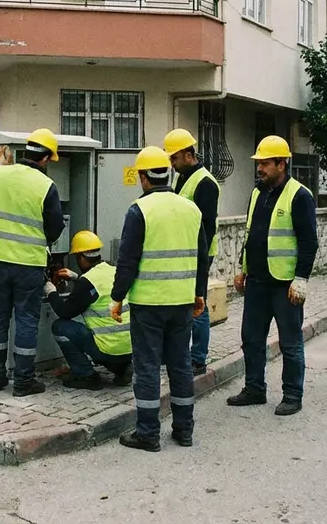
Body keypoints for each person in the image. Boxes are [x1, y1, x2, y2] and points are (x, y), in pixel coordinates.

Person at [112, 146, 209, 452]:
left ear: (143, 177)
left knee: (148, 367)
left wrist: (117, 297)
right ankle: (184, 430)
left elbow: (127, 261)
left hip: (149, 304)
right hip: (181, 303)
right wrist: (199, 295)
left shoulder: (139, 210)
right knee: (180, 366)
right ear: (167, 172)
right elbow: (201, 257)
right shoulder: (191, 209)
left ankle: (148, 433)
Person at [0, 128, 66, 397]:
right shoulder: (46, 186)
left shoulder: (0, 172)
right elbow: (56, 228)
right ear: (46, 158)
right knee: (26, 319)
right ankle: (23, 382)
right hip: (28, 264)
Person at [229, 135, 318, 417]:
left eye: (266, 163)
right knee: (251, 338)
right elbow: (250, 235)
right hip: (257, 281)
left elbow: (308, 242)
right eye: (259, 163)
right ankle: (255, 389)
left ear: (282, 164)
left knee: (290, 341)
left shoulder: (300, 196)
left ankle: (292, 394)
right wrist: (243, 269)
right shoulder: (258, 193)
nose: (260, 168)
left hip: (284, 284)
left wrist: (301, 279)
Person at [44, 230, 133, 390]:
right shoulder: (113, 270)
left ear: (81, 257)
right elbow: (98, 290)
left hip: (108, 349)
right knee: (110, 339)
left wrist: (51, 292)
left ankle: (86, 376)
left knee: (60, 327)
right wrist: (77, 278)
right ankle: (122, 368)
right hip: (129, 347)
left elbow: (65, 312)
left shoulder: (87, 283)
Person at [165, 127, 220, 376]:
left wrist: (200, 258)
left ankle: (198, 358)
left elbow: (206, 224)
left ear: (188, 154)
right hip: (184, 250)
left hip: (200, 252)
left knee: (198, 302)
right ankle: (182, 353)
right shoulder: (183, 177)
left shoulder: (206, 183)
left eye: (174, 158)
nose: (171, 163)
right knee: (184, 302)